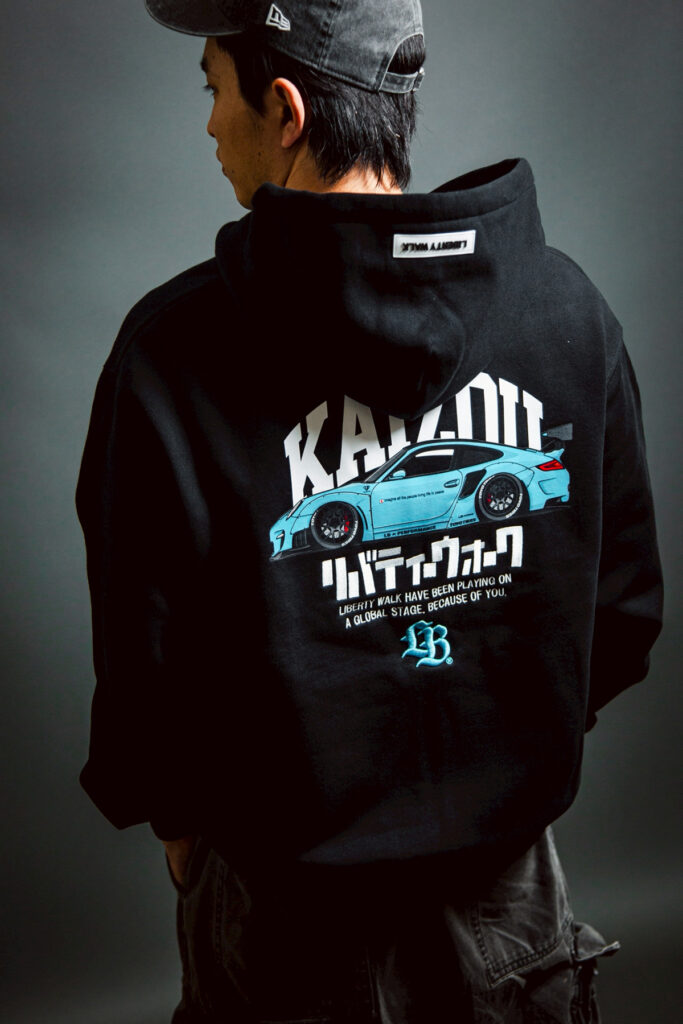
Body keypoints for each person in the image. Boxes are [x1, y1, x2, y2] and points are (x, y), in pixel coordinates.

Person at [76, 1, 663, 1021]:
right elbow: (621, 611)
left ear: (285, 110)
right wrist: (496, 763)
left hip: (279, 909)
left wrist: (182, 831)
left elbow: (147, 668)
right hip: (507, 891)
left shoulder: (172, 353)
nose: (208, 123)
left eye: (214, 89)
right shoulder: (570, 312)